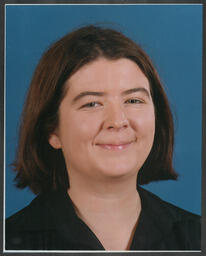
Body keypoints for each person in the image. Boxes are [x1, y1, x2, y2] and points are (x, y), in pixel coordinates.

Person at [6, 25, 201, 251]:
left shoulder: (196, 235)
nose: (117, 121)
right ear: (53, 131)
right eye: (92, 104)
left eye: (134, 100)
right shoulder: (11, 241)